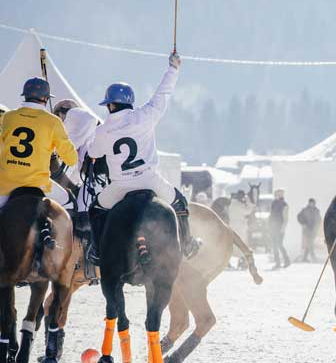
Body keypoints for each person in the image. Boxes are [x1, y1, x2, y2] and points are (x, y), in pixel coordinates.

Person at [87, 52, 201, 264]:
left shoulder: (104, 130)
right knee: (179, 202)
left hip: (120, 185)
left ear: (110, 105)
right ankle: (187, 243)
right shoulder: (144, 116)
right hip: (149, 180)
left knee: (96, 209)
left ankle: (97, 251)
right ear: (129, 102)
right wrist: (173, 68)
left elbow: (93, 154)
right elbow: (163, 94)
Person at [0, 78, 77, 210]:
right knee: (69, 202)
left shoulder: (8, 117)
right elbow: (71, 159)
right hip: (38, 183)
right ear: (45, 98)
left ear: (25, 95)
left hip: (6, 182)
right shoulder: (53, 121)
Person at [62, 106, 106, 275]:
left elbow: (75, 173)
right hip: (99, 182)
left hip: (97, 184)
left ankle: (91, 256)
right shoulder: (91, 138)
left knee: (82, 208)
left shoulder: (89, 143)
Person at [268, 189, 291, 269]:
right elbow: (271, 215)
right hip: (273, 227)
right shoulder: (274, 203)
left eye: (277, 194)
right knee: (275, 245)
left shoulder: (284, 205)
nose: (275, 195)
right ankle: (279, 262)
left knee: (279, 244)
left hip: (279, 228)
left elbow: (285, 218)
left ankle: (286, 260)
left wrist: (283, 228)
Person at [296, 198, 321, 262]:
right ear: (309, 203)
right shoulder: (305, 210)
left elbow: (319, 219)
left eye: (313, 203)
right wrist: (303, 224)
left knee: (309, 243)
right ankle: (313, 256)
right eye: (311, 203)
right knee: (310, 242)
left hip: (314, 229)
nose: (312, 204)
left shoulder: (317, 210)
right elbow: (299, 217)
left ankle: (305, 257)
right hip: (307, 229)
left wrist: (318, 226)